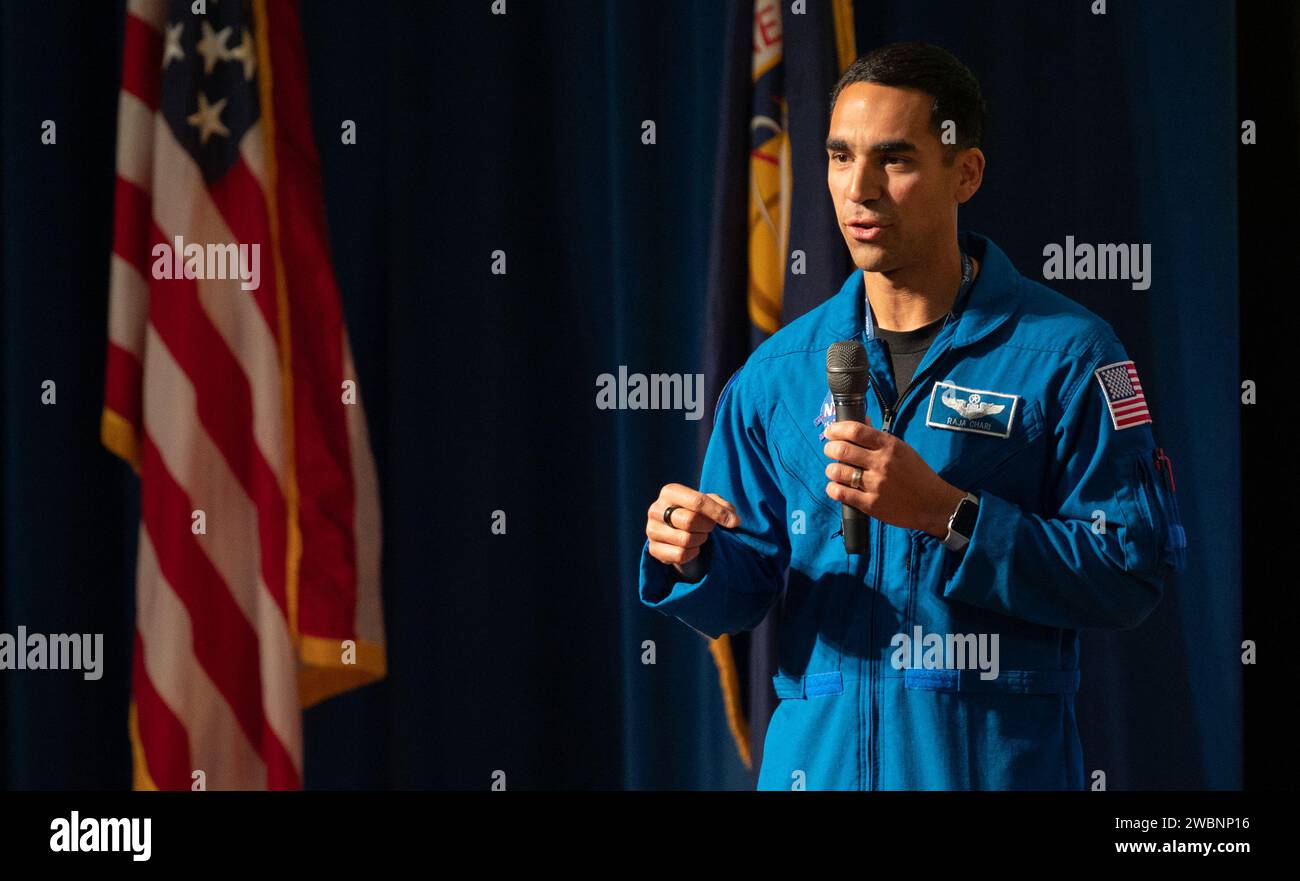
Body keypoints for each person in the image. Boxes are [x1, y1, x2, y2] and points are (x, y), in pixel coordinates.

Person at [639, 42, 1186, 790]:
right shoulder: (775, 374)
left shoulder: (1067, 353)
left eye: (894, 160)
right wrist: (692, 551)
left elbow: (1131, 568)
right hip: (818, 767)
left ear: (966, 172)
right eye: (839, 157)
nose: (858, 190)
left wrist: (951, 515)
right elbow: (743, 591)